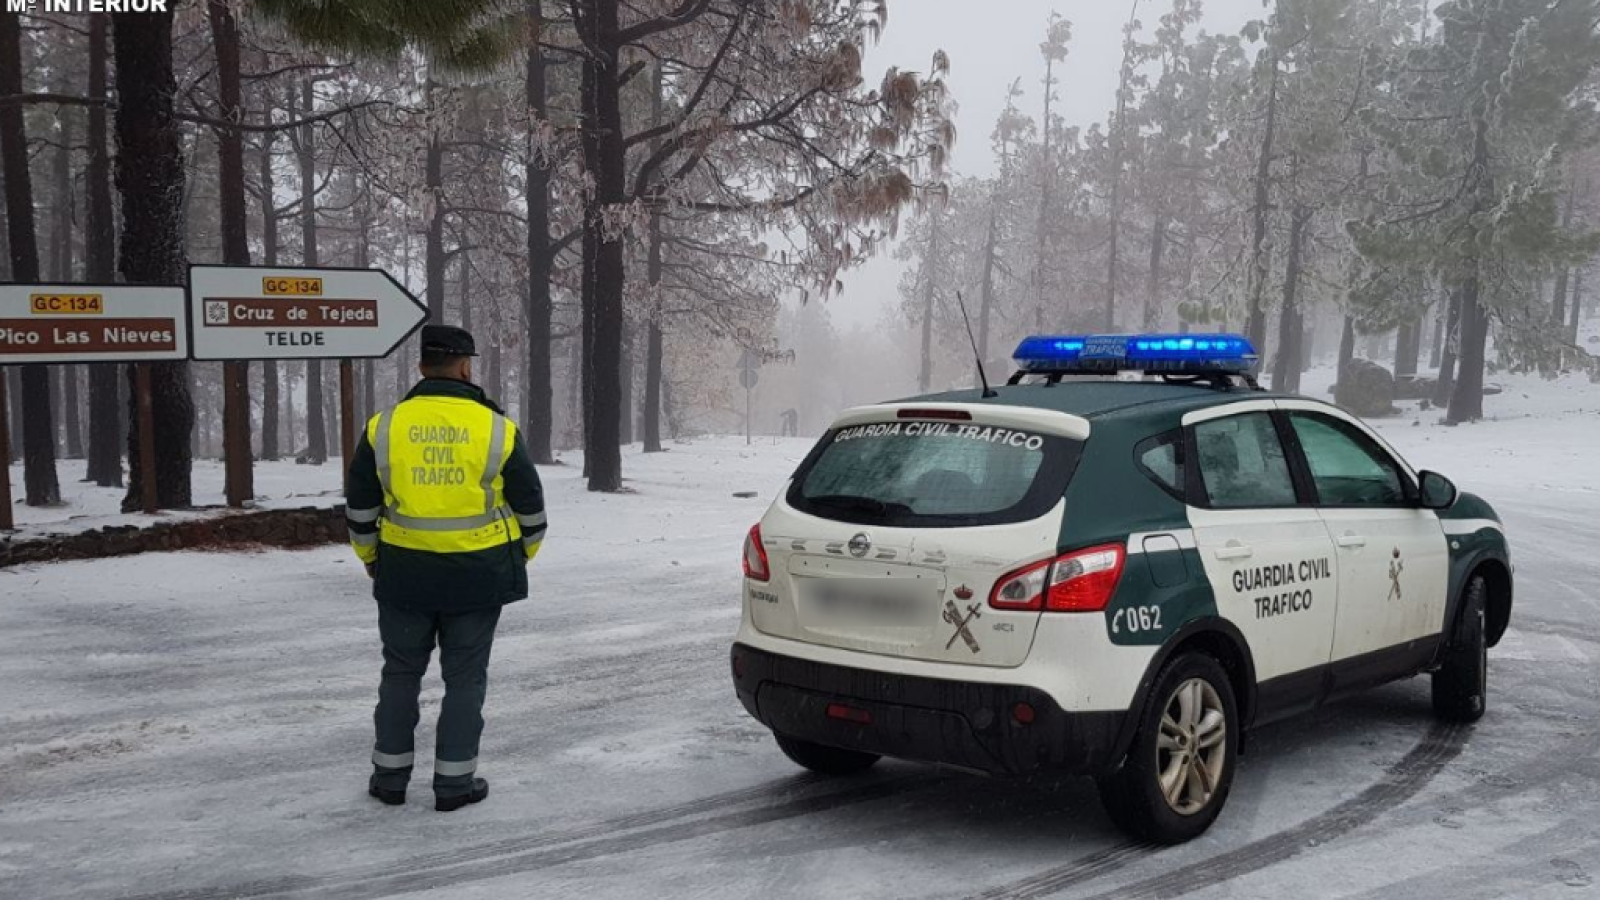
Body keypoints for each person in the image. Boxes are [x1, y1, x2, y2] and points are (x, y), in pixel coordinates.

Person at [345, 324, 547, 812]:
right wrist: (518, 556)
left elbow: (359, 509)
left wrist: (372, 558)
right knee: (465, 680)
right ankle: (454, 786)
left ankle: (390, 781)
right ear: (464, 366)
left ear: (421, 366)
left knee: (399, 675)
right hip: (478, 577)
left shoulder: (384, 426)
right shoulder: (496, 428)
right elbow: (532, 512)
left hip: (405, 575)